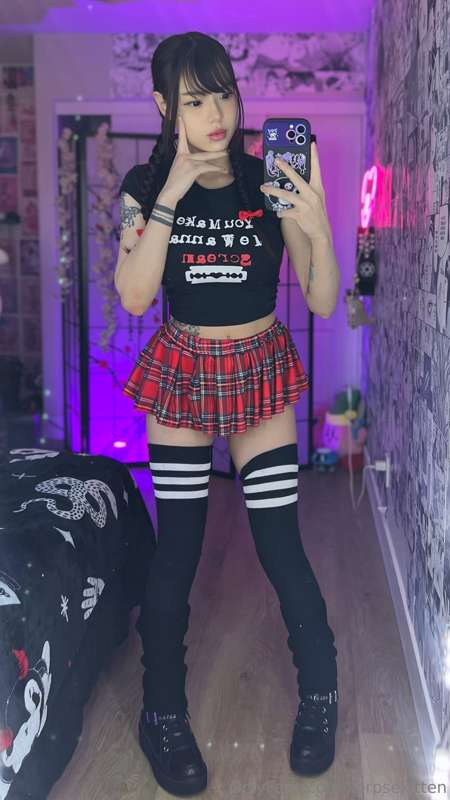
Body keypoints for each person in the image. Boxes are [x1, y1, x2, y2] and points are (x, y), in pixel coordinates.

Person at [115, 31, 340, 798]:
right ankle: (162, 714)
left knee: (281, 546)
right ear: (163, 107)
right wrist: (173, 190)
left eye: (224, 95)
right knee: (176, 553)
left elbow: (321, 299)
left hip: (257, 366)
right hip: (184, 368)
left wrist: (316, 221)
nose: (215, 115)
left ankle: (321, 697)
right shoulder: (142, 188)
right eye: (194, 101)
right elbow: (135, 296)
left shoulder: (267, 179)